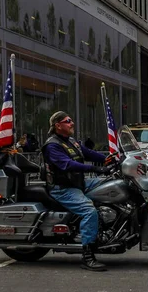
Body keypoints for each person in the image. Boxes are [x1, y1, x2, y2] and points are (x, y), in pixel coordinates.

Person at [42, 111, 110, 272]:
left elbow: (88, 153)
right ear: (58, 125)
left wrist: (110, 158)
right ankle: (88, 256)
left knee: (111, 184)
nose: (72, 123)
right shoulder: (52, 145)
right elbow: (67, 165)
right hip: (63, 188)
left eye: (71, 120)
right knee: (89, 211)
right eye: (68, 121)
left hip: (78, 183)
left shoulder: (71, 141)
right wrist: (95, 168)